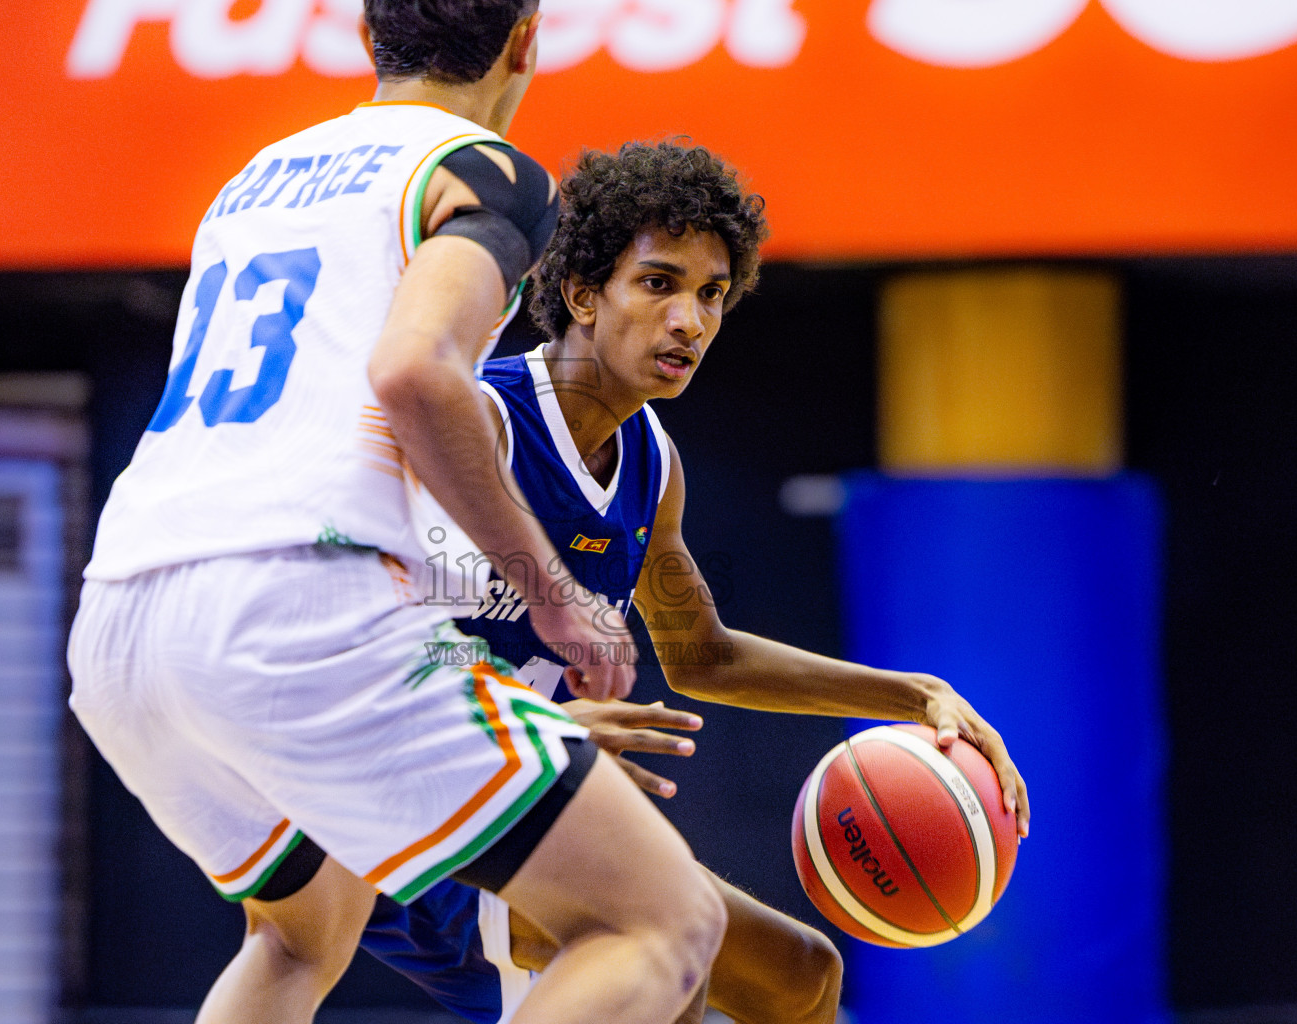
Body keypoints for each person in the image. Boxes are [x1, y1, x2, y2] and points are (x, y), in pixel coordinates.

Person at [66, 5, 729, 1024]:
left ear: (371, 41)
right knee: (664, 920)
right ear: (526, 42)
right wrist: (554, 596)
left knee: (298, 936)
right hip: (293, 595)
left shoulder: (254, 179)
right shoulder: (490, 171)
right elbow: (416, 369)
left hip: (121, 624)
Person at [355, 141, 1032, 1024]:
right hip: (420, 812)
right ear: (582, 294)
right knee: (669, 954)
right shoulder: (481, 423)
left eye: (712, 295)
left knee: (802, 978)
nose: (691, 321)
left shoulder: (651, 465)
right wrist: (524, 726)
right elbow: (362, 643)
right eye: (660, 284)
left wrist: (915, 696)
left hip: (520, 810)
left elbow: (702, 655)